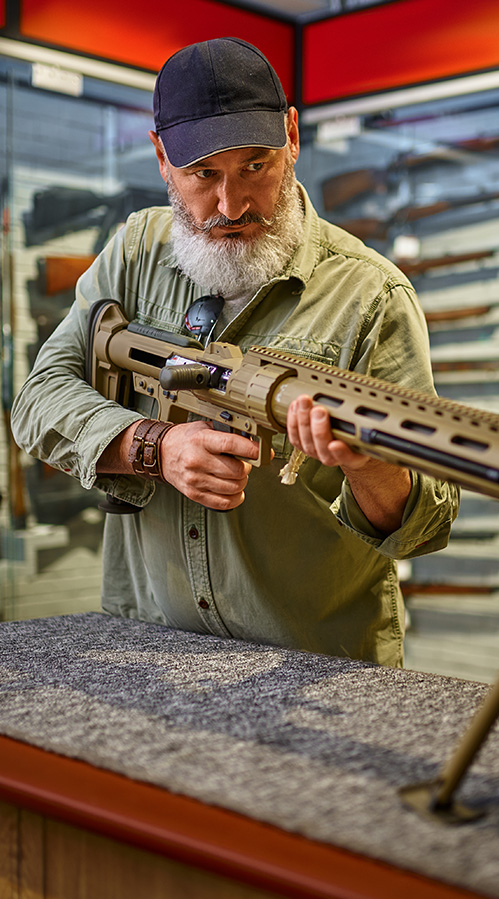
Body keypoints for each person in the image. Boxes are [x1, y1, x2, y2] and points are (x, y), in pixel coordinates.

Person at [11, 37, 460, 667]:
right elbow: (36, 399)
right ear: (162, 158)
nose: (232, 206)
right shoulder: (137, 249)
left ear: (293, 137)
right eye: (204, 175)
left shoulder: (372, 293)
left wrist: (365, 465)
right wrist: (154, 447)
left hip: (314, 668)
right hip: (146, 649)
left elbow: (426, 521)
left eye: (256, 166)